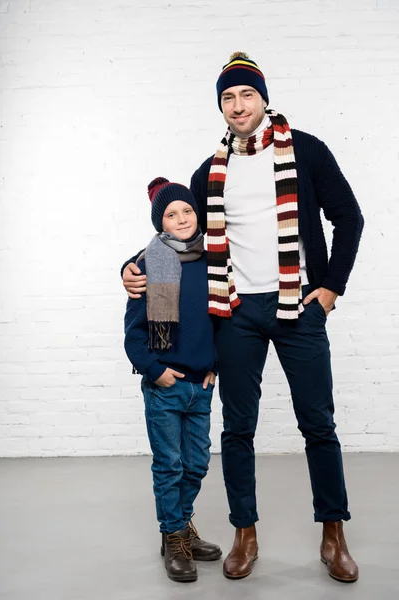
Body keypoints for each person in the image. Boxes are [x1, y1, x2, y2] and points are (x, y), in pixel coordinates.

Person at [121, 53, 364, 584]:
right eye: (227, 97)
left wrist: (330, 288)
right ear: (220, 107)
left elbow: (348, 216)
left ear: (263, 98)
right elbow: (176, 245)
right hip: (235, 313)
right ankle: (244, 532)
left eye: (246, 94)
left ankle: (333, 533)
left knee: (318, 424)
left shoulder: (306, 150)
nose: (237, 105)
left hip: (299, 305)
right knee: (238, 428)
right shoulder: (208, 172)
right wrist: (131, 269)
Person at [124, 177, 222, 582]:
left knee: (197, 463)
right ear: (159, 222)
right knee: (170, 465)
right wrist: (155, 371)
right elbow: (133, 335)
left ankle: (180, 525)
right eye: (170, 213)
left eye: (186, 210)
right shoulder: (148, 265)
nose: (181, 219)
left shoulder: (213, 260)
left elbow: (222, 321)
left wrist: (215, 366)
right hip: (164, 386)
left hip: (201, 384)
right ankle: (174, 537)